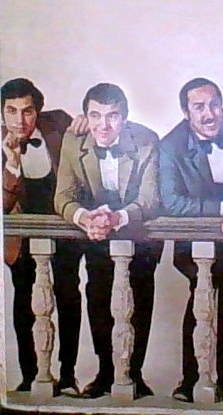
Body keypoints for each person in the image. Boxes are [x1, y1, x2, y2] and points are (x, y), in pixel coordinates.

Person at [54, 83, 162, 400]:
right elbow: (63, 196)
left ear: (124, 118)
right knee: (98, 297)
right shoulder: (73, 141)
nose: (103, 125)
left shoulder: (147, 140)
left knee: (140, 300)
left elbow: (150, 200)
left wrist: (118, 218)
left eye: (112, 116)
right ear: (86, 116)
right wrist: (84, 217)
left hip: (138, 233)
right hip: (96, 234)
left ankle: (134, 374)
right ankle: (104, 373)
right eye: (95, 116)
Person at [159, 77, 223, 403]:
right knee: (200, 301)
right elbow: (172, 203)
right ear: (186, 112)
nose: (209, 114)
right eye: (199, 107)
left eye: (214, 104)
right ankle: (190, 380)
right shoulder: (171, 146)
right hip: (196, 243)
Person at [2, 78, 78, 394]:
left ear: (39, 111)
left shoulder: (58, 123)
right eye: (11, 111)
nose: (20, 120)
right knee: (24, 301)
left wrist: (85, 122)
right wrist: (12, 166)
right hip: (21, 240)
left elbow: (87, 134)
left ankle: (68, 377)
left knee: (68, 297)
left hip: (63, 232)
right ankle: (29, 375)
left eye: (27, 111)